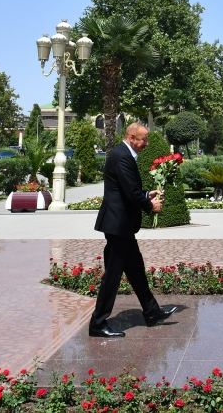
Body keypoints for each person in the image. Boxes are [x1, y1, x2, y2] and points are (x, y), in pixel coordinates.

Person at [88, 122, 179, 337]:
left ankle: (152, 312)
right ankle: (97, 323)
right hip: (118, 225)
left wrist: (146, 194)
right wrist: (149, 204)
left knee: (136, 269)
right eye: (143, 139)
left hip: (121, 225)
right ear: (131, 137)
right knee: (112, 276)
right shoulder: (121, 156)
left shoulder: (123, 154)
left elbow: (127, 189)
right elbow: (130, 192)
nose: (146, 144)